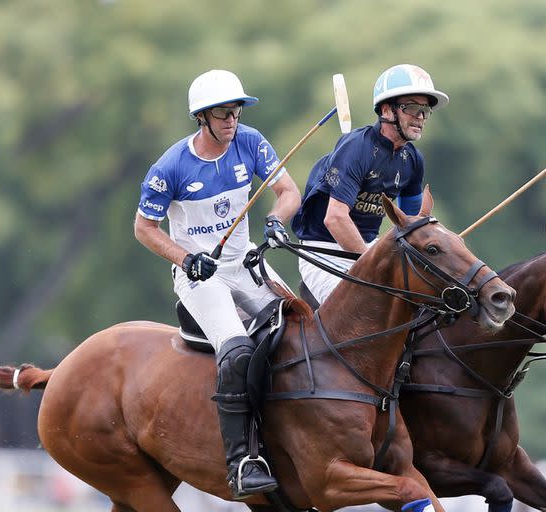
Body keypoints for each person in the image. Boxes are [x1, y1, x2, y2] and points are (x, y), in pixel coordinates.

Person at [134, 69, 301, 499]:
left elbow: (288, 192)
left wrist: (275, 221)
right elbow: (144, 228)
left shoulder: (250, 141)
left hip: (245, 264)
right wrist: (187, 259)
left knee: (304, 326)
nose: (233, 122)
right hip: (200, 278)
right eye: (224, 114)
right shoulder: (170, 166)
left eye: (236, 113)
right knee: (238, 351)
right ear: (202, 117)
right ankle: (243, 460)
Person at [291, 64, 448, 305]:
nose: (420, 117)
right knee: (363, 311)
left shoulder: (413, 159)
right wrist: (373, 264)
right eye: (413, 108)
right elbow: (334, 218)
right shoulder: (357, 148)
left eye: (425, 110)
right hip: (323, 250)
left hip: (369, 246)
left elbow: (411, 222)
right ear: (387, 110)